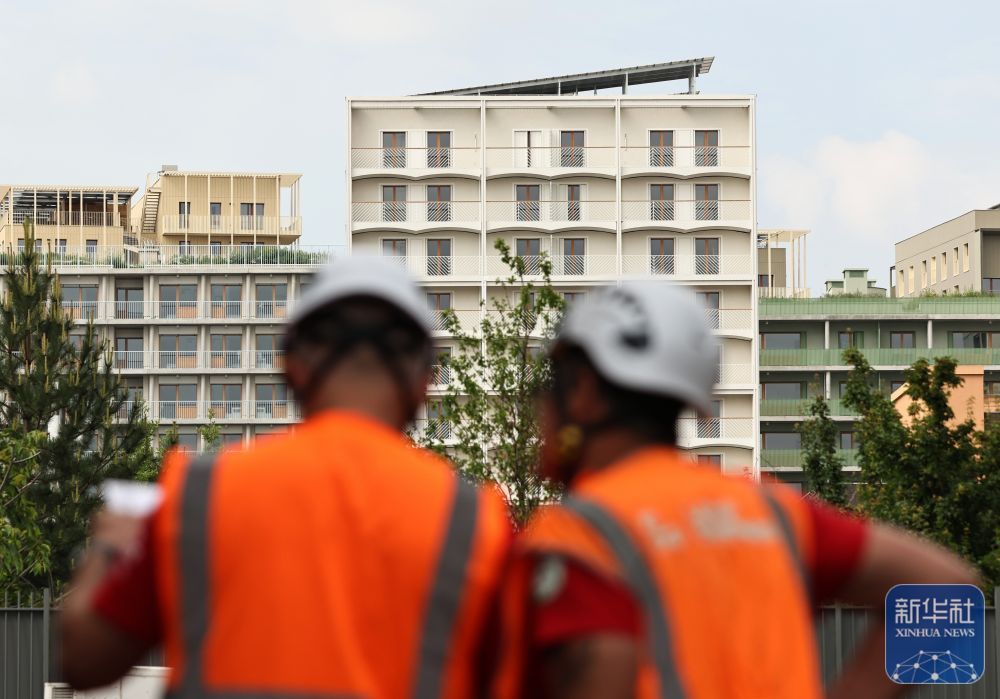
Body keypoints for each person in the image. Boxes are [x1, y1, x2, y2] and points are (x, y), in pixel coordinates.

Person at [492, 283, 979, 699]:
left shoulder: (576, 537)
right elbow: (950, 586)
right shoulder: (770, 513)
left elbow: (603, 667)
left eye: (549, 387)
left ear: (583, 391)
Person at [61, 257, 511, 698]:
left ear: (291, 368)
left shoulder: (200, 495)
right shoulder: (474, 521)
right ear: (424, 382)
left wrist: (111, 549)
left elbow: (84, 659)